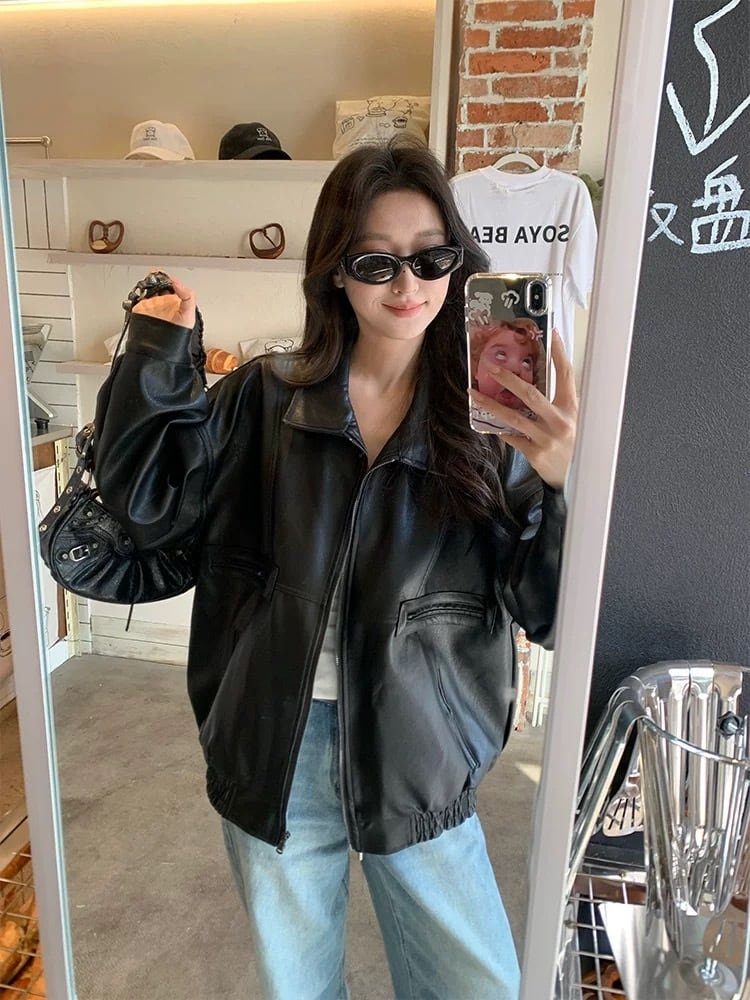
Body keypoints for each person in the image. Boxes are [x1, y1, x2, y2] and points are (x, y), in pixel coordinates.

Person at [94, 138, 577, 1000]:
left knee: (479, 987)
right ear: (335, 274)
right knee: (300, 988)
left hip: (421, 746)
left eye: (431, 258)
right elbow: (149, 507)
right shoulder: (265, 396)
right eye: (376, 262)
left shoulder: (491, 426)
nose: (408, 286)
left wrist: (561, 483)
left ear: (458, 261)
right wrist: (157, 350)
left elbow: (549, 613)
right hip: (277, 739)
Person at [473, 318, 546, 409]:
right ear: (476, 368)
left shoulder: (537, 415)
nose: (515, 369)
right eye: (500, 356)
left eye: (526, 363)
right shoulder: (469, 409)